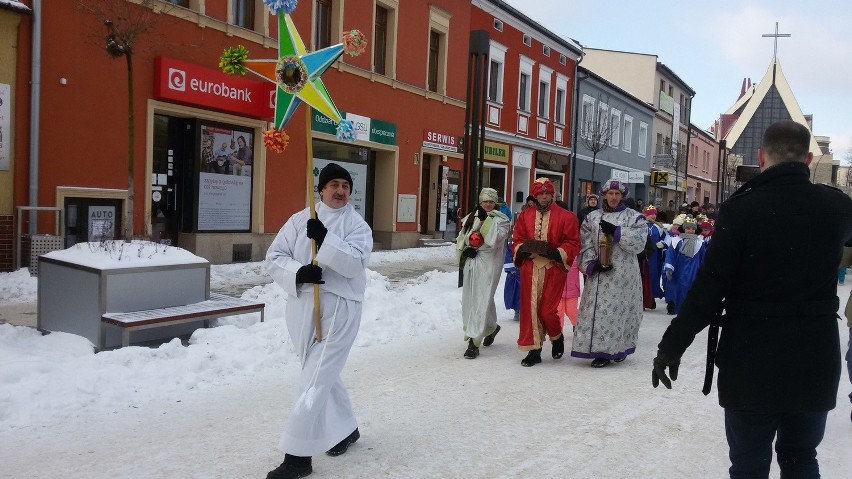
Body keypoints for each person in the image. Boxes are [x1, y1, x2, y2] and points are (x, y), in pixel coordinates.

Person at [652, 120, 852, 478]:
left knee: (748, 465)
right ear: (808, 159)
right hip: (814, 357)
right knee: (801, 456)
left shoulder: (742, 209)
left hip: (751, 356)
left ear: (760, 157)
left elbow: (709, 288)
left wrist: (672, 346)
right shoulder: (836, 208)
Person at [265, 163, 373, 479]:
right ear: (321, 189)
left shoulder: (357, 225)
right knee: (321, 374)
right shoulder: (300, 220)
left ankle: (297, 457)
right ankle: (345, 429)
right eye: (334, 185)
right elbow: (274, 257)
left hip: (339, 308)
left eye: (345, 186)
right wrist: (299, 273)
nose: (340, 191)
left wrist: (326, 240)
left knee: (313, 378)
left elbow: (355, 263)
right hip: (302, 306)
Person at [570, 179, 647, 367]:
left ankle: (618, 348)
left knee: (620, 311)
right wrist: (591, 264)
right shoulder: (592, 217)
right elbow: (585, 242)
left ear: (622, 196)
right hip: (599, 274)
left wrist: (618, 232)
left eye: (617, 194)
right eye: (610, 194)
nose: (613, 197)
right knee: (597, 311)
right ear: (604, 195)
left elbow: (639, 243)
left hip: (623, 275)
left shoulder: (634, 218)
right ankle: (600, 351)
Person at [512, 177, 580, 367]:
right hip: (530, 269)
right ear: (535, 196)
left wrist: (557, 252)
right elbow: (516, 239)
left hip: (553, 269)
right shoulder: (524, 216)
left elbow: (573, 242)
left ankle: (556, 336)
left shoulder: (567, 217)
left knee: (547, 311)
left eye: (547, 193)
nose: (543, 197)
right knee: (530, 311)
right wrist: (521, 249)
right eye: (540, 194)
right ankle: (534, 350)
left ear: (553, 195)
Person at [456, 187, 510, 359]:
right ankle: (491, 327)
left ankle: (474, 341)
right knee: (473, 298)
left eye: (491, 201)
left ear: (495, 203)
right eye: (485, 201)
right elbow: (462, 238)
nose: (488, 204)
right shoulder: (471, 217)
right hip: (473, 262)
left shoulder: (502, 220)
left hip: (489, 263)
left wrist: (486, 221)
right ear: (480, 202)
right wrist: (466, 250)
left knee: (482, 297)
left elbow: (494, 240)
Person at [662, 216, 705, 315]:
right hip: (678, 270)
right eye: (688, 228)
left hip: (693, 270)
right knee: (675, 289)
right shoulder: (676, 241)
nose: (690, 231)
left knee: (690, 290)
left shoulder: (700, 243)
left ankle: (688, 309)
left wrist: (703, 271)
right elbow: (670, 255)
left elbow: (703, 258)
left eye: (693, 229)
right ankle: (673, 306)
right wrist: (669, 267)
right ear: (683, 228)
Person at [643, 206, 667, 302]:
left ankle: (652, 295)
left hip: (655, 255)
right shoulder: (641, 225)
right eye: (651, 214)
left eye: (654, 214)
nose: (653, 216)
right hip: (643, 254)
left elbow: (667, 238)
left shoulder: (659, 227)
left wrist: (663, 243)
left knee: (653, 274)